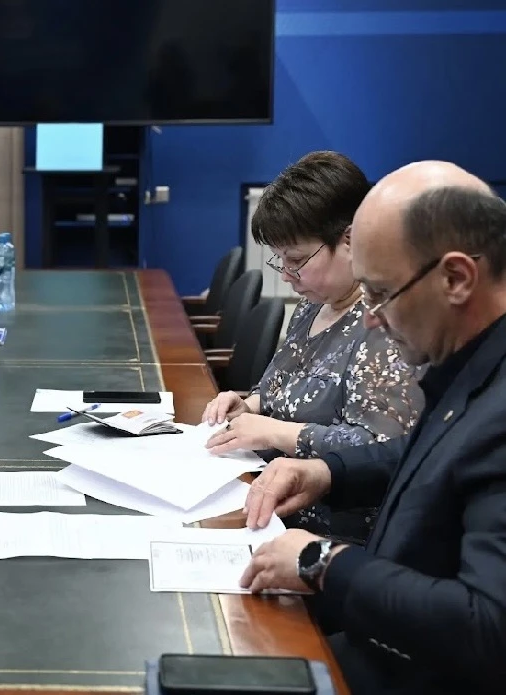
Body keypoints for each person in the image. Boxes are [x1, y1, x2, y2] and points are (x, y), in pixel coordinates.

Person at [239, 162, 506, 694]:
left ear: (456, 279)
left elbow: (488, 629)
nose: (370, 317)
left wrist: (322, 562)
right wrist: (328, 472)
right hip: (384, 632)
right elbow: (426, 455)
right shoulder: (470, 360)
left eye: (381, 293)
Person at [202, 151, 424, 545]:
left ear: (350, 239)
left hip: (324, 534)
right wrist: (249, 405)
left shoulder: (384, 324)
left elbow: (381, 449)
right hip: (264, 493)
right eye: (280, 261)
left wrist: (274, 432)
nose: (288, 276)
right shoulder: (313, 304)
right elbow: (279, 385)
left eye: (297, 260)